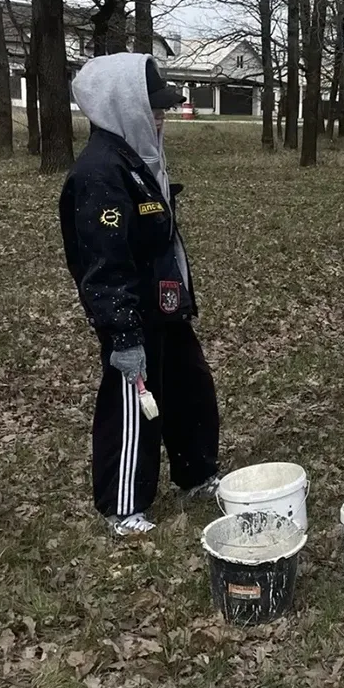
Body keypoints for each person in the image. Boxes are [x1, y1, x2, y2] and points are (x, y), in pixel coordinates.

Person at [59, 54, 221, 537]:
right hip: (133, 318)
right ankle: (124, 504)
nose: (161, 115)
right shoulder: (99, 174)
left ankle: (196, 474)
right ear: (120, 104)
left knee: (190, 389)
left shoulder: (138, 160)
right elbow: (103, 264)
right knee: (133, 407)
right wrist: (123, 336)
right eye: (152, 106)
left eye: (163, 106)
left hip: (166, 309)